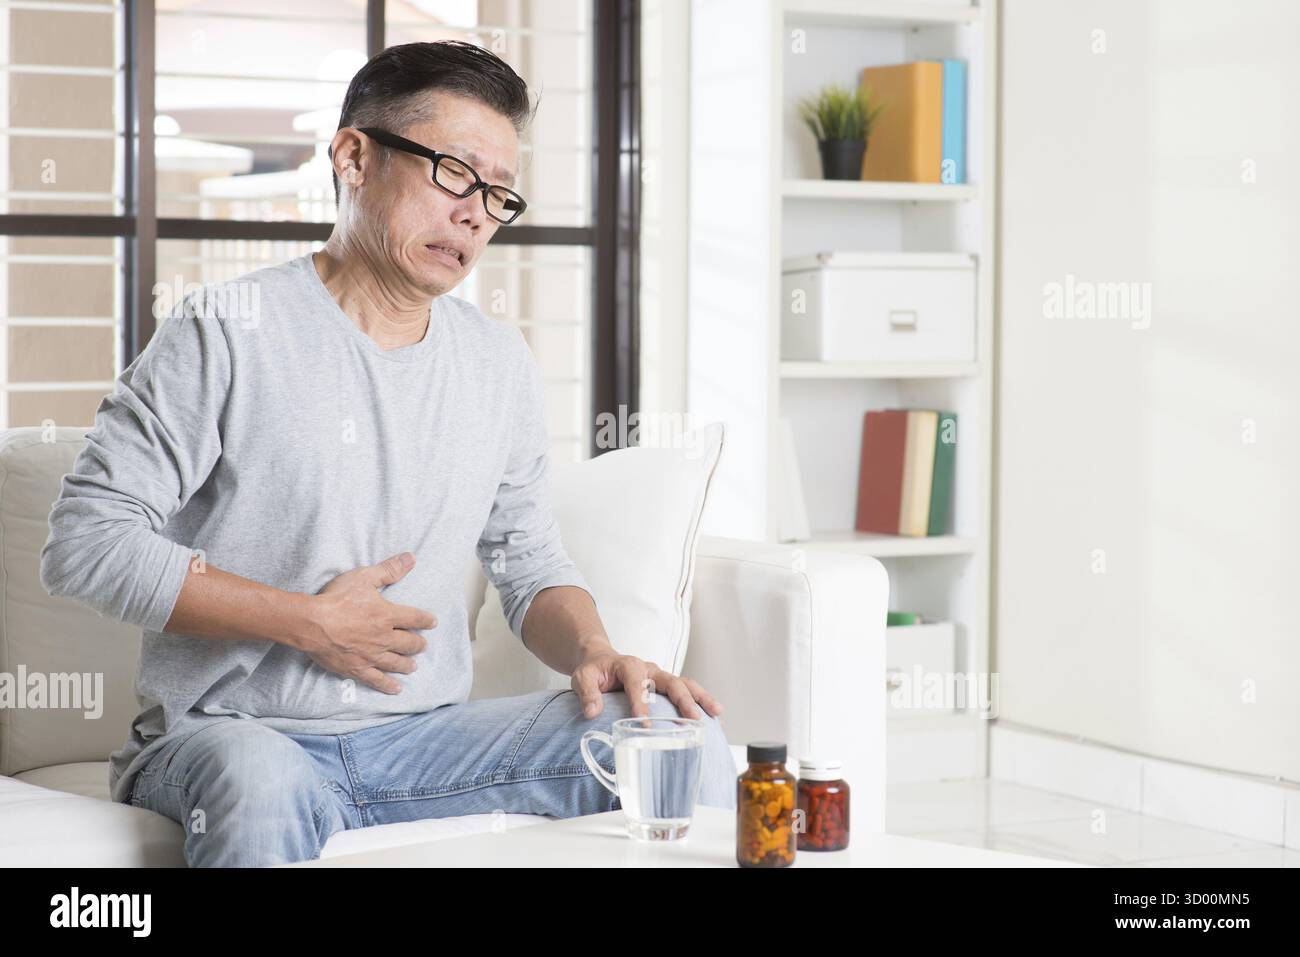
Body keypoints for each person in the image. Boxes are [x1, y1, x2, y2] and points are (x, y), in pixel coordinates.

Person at [39, 40, 735, 867]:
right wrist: (307, 623)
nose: (476, 213)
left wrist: (594, 650)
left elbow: (529, 562)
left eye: (499, 195)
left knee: (669, 732)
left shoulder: (497, 360)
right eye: (454, 173)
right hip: (233, 736)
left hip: (423, 743)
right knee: (263, 783)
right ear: (353, 158)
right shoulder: (224, 330)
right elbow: (86, 541)